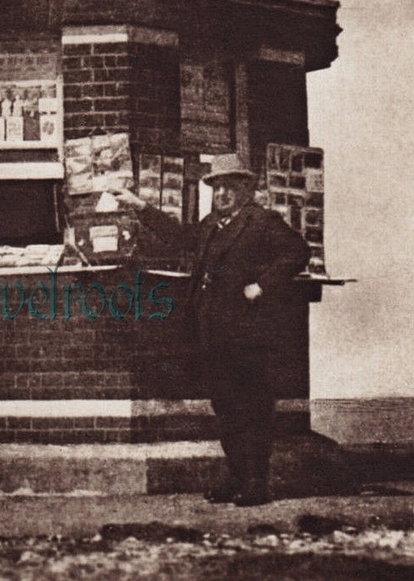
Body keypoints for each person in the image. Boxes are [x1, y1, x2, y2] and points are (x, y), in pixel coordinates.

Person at [114, 154, 309, 507]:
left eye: (229, 187)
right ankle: (236, 477)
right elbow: (178, 237)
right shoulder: (211, 226)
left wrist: (262, 286)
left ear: (245, 190)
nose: (221, 194)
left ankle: (256, 482)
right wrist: (141, 207)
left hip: (248, 336)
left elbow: (297, 251)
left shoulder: (261, 222)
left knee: (252, 407)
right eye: (217, 187)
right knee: (226, 408)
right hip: (213, 335)